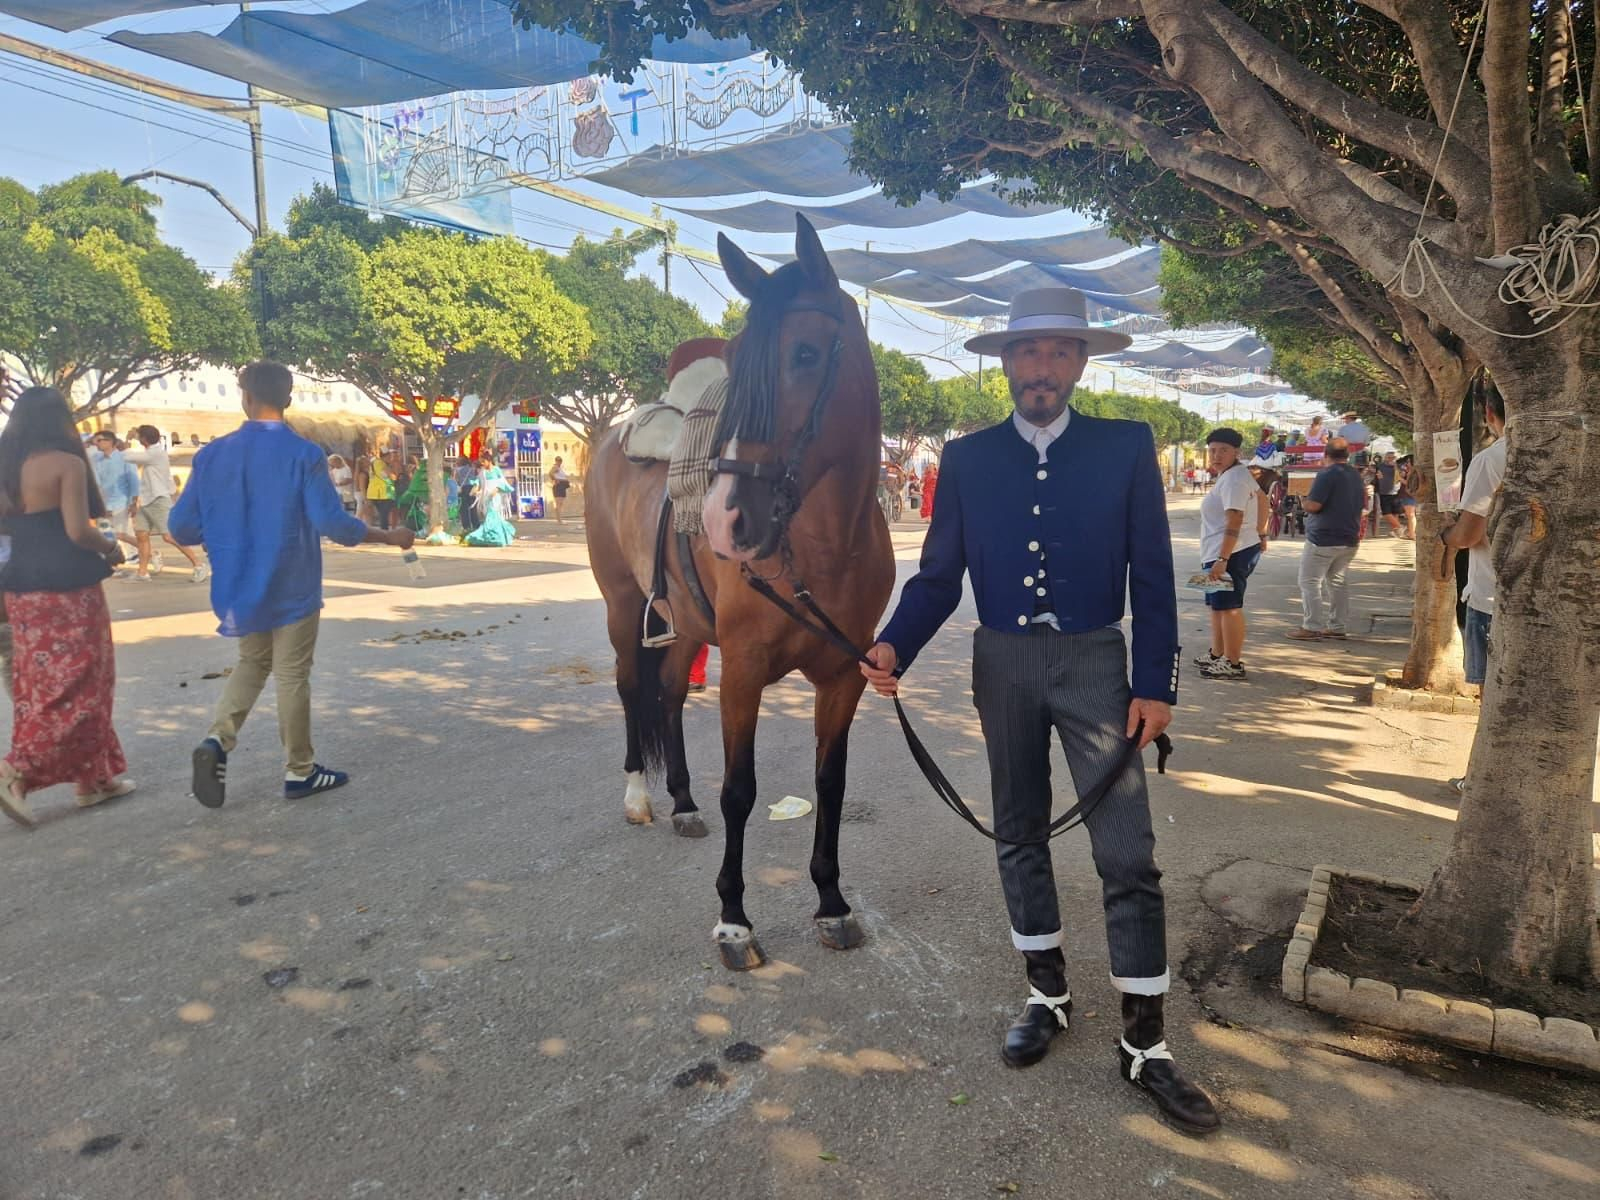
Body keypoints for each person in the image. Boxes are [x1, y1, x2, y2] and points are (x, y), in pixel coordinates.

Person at [860, 287, 1220, 1136]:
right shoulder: (968, 457)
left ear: (1082, 362)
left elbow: (1152, 578)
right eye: (1028, 353)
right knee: (1018, 832)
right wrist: (892, 646)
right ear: (1005, 364)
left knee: (1127, 852)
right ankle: (1047, 996)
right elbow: (940, 575)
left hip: (1098, 660)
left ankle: (1145, 1045)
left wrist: (1156, 683)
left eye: (1059, 352)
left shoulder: (1125, 446)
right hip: (1003, 663)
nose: (1043, 368)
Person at [170, 362, 415, 808]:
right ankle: (300, 770)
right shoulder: (303, 455)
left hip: (237, 586)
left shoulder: (210, 456)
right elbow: (331, 524)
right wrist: (388, 535)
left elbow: (181, 527)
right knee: (291, 673)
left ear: (244, 398)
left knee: (252, 662)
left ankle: (217, 740)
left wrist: (228, 528)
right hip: (292, 582)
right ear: (287, 399)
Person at [0, 387, 136, 828]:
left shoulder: (6, 468)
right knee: (85, 682)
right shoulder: (67, 464)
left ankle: (94, 779)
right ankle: (16, 770)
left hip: (21, 589)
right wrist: (112, 546)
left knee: (37, 684)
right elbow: (79, 531)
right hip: (70, 588)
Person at [1441, 390, 1508, 793]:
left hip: (1491, 598)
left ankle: (1487, 782)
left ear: (1489, 413)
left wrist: (1448, 533)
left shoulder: (1491, 460)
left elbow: (1468, 535)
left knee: (1494, 701)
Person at [1194, 428, 1267, 680]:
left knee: (1229, 608)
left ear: (1236, 452)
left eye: (1223, 450)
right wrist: (1261, 533)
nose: (1216, 455)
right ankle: (1217, 654)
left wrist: (1222, 560)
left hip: (1229, 554)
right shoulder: (1232, 475)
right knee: (1216, 607)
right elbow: (1263, 498)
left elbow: (1234, 519)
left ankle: (1233, 663)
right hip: (1218, 551)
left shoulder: (1235, 479)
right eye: (1212, 450)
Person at [1289, 437, 1364, 641]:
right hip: (1349, 537)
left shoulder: (1327, 475)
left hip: (1323, 538)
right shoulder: (1355, 475)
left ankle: (1311, 626)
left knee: (1309, 581)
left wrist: (1303, 501)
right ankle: (1337, 626)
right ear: (1347, 455)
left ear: (1325, 455)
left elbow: (1314, 506)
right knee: (1337, 582)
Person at [125, 424, 207, 583]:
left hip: (158, 499)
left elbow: (129, 457)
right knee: (141, 534)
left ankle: (198, 564)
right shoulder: (151, 453)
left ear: (143, 438)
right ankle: (142, 573)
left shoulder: (156, 453)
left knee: (169, 536)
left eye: (138, 436)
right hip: (147, 499)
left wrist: (125, 444)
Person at [89, 430, 141, 564]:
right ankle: (114, 560)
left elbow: (133, 482)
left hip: (121, 502)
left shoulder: (125, 458)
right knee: (106, 535)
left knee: (124, 534)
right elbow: (96, 483)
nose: (97, 443)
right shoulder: (95, 459)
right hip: (104, 503)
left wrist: (133, 502)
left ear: (111, 442)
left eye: (100, 440)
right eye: (96, 441)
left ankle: (143, 554)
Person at [465, 452, 517, 546]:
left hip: (495, 497)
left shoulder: (497, 470)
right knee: (490, 516)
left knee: (492, 516)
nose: (482, 464)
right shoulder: (482, 472)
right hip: (486, 497)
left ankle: (495, 537)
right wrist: (475, 490)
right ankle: (493, 537)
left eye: (483, 461)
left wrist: (496, 490)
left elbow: (502, 482)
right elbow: (478, 482)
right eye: (481, 462)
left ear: (489, 461)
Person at [1374, 451, 1406, 537]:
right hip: (1384, 493)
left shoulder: (1399, 466)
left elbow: (1402, 475)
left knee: (1395, 513)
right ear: (1385, 458)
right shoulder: (1380, 466)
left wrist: (1396, 467)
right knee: (1386, 513)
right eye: (1389, 457)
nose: (1391, 459)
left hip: (1396, 492)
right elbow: (1375, 473)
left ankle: (1395, 531)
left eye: (1393, 457)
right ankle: (1400, 527)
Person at [366, 454, 396, 531]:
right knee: (384, 513)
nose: (391, 458)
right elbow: (387, 476)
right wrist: (393, 475)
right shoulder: (380, 463)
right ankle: (384, 531)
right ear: (385, 457)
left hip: (374, 493)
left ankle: (383, 530)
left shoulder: (373, 463)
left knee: (382, 513)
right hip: (383, 493)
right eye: (389, 457)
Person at [1396, 454, 1418, 538]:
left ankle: (1412, 534)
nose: (1407, 463)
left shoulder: (1412, 472)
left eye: (1408, 461)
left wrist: (1400, 479)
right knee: (1410, 515)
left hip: (1408, 496)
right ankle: (1411, 532)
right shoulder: (1411, 471)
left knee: (1410, 515)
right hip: (1408, 495)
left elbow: (1408, 484)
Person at [549, 455, 572, 523]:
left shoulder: (559, 468)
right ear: (556, 461)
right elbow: (550, 473)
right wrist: (556, 480)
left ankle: (559, 519)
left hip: (562, 486)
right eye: (558, 460)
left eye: (560, 460)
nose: (559, 462)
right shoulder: (555, 467)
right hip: (559, 486)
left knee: (560, 503)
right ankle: (559, 520)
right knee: (558, 503)